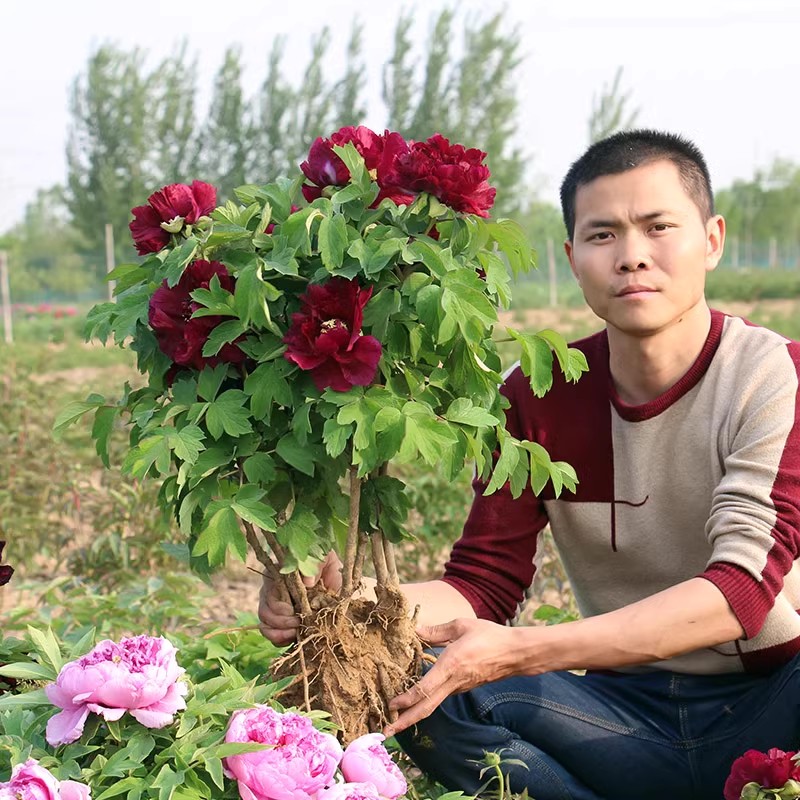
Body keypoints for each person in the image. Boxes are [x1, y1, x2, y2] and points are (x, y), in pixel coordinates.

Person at [259, 129, 800, 800]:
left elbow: (740, 594)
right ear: (572, 257)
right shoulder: (536, 394)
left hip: (773, 706)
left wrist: (521, 651)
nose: (633, 257)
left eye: (659, 227)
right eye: (603, 235)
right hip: (617, 717)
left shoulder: (772, 374)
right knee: (429, 685)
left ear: (712, 238)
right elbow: (483, 587)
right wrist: (338, 605)